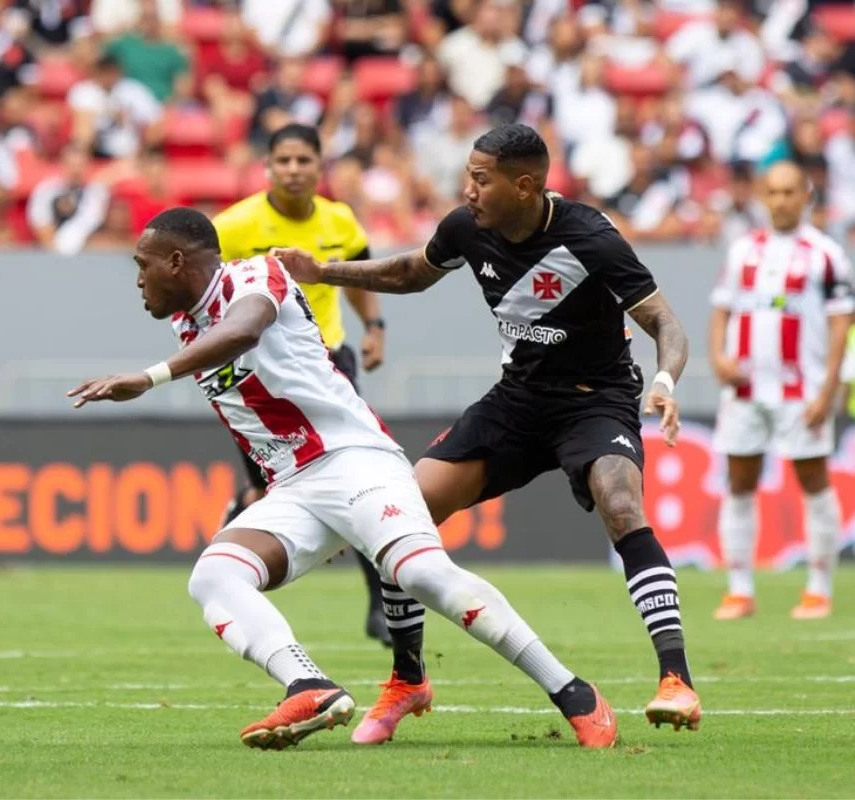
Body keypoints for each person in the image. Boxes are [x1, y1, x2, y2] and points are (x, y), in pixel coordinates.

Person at [68, 207, 619, 751]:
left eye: (143, 264)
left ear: (177, 259)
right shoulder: (187, 322)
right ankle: (309, 685)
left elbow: (245, 330)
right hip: (296, 489)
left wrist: (150, 376)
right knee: (213, 576)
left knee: (422, 573)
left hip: (355, 459)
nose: (138, 278)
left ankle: (572, 691)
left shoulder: (255, 276)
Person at [273, 123, 703, 742]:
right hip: (517, 401)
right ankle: (408, 679)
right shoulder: (466, 227)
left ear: (523, 185)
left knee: (620, 501)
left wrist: (664, 380)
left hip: (596, 401)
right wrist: (324, 272)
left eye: (480, 178)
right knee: (403, 511)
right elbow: (411, 273)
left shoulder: (589, 236)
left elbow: (664, 321)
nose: (467, 189)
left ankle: (676, 681)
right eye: (468, 176)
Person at [212, 123, 392, 646]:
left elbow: (358, 272)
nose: (293, 170)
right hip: (260, 375)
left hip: (330, 364)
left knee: (357, 480)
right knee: (277, 489)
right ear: (267, 167)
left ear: (319, 167)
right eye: (283, 161)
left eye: (303, 161)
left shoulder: (340, 219)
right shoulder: (235, 225)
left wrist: (375, 328)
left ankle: (379, 606)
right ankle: (242, 522)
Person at [709, 161, 853, 622]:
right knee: (739, 482)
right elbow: (722, 311)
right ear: (761, 196)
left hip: (801, 388)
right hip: (746, 388)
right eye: (772, 192)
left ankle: (818, 588)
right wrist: (718, 357)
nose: (781, 200)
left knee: (812, 482)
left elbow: (840, 322)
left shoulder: (826, 253)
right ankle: (739, 589)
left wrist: (829, 387)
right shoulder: (743, 250)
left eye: (790, 192)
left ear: (806, 196)